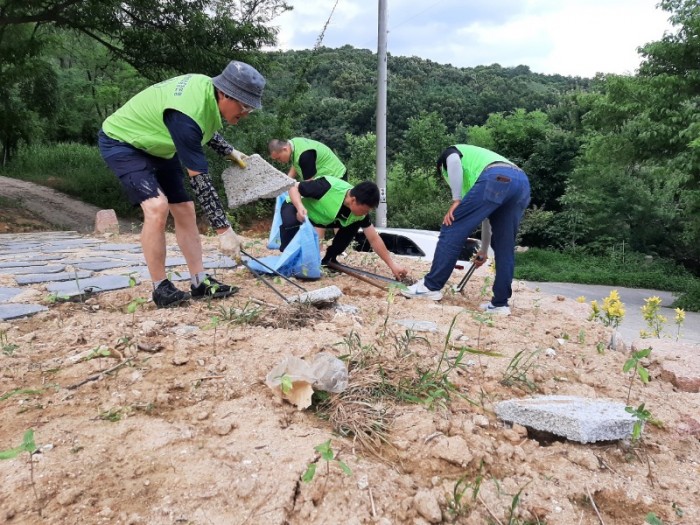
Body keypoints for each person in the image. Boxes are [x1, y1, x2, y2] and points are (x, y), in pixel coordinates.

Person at [98, 60, 265, 308]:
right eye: (244, 106)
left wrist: (229, 151)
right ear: (225, 95)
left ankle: (200, 283)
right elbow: (200, 179)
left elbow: (203, 126)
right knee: (157, 206)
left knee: (185, 208)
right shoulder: (186, 113)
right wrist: (224, 230)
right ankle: (160, 287)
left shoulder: (207, 94)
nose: (245, 114)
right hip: (123, 142)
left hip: (159, 145)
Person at [402, 145, 530, 315]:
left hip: (496, 176)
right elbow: (486, 216)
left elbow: (453, 159)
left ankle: (430, 286)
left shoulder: (451, 153)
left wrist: (456, 200)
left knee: (452, 225)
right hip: (521, 183)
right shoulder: (476, 177)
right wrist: (483, 250)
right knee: (504, 247)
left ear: (441, 167)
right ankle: (500, 304)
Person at [281, 176, 408, 280]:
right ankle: (289, 260)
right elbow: (293, 187)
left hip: (324, 218)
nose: (365, 214)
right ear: (353, 200)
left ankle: (329, 259)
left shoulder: (360, 214)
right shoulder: (326, 187)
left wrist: (393, 265)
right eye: (364, 210)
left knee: (353, 225)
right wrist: (299, 207)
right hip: (298, 210)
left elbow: (373, 238)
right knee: (290, 222)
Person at [268, 138, 347, 181]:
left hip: (335, 175)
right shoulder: (293, 144)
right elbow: (296, 163)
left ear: (285, 149)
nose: (279, 161)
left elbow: (309, 184)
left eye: (278, 158)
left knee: (334, 207)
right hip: (325, 177)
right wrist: (287, 180)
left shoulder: (305, 156)